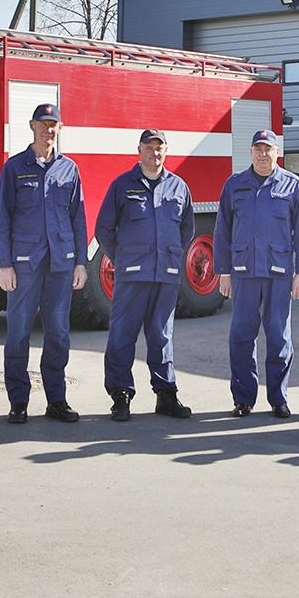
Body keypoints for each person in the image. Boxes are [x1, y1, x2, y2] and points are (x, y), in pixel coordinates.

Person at [0, 103, 88, 424]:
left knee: (59, 333)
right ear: (32, 126)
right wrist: (4, 263)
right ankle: (18, 402)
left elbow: (78, 219)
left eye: (54, 125)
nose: (49, 130)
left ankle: (56, 401)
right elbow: (2, 218)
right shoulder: (15, 167)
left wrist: (81, 262)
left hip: (61, 265)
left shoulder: (69, 169)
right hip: (24, 264)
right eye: (43, 124)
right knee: (18, 332)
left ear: (59, 129)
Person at [95, 128, 196, 421]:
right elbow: (104, 228)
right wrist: (124, 258)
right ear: (139, 150)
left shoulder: (179, 187)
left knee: (162, 336)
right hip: (133, 276)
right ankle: (121, 396)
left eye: (159, 147)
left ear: (166, 150)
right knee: (122, 335)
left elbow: (186, 229)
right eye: (149, 147)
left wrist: (172, 257)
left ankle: (166, 395)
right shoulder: (122, 185)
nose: (155, 152)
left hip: (166, 275)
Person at [215, 130, 299, 418]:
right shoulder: (235, 185)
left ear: (277, 152)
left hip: (280, 273)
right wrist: (223, 271)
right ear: (251, 152)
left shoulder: (292, 185)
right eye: (258, 148)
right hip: (244, 272)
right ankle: (243, 398)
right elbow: (222, 231)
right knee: (241, 336)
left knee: (279, 337)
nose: (262, 154)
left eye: (268, 149)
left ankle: (278, 398)